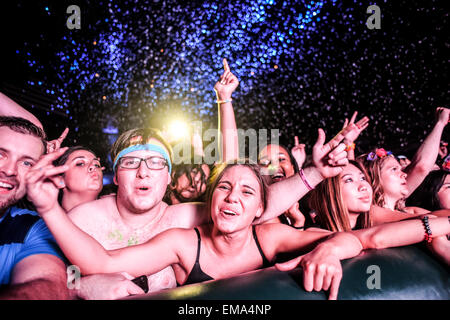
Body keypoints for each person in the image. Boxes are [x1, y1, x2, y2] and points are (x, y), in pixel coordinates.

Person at [28, 158, 371, 300]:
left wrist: (327, 251)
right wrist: (48, 207)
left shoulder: (269, 236)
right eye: (223, 188)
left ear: (260, 210)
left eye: (247, 192)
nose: (232, 197)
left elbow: (352, 239)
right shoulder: (181, 243)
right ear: (211, 199)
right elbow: (101, 263)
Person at [0, 116, 68, 299]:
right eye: (0, 154)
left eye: (26, 162)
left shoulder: (34, 227)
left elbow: (49, 285)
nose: (9, 170)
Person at [53, 146, 104, 212]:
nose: (93, 167)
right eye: (80, 164)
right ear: (60, 180)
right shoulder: (39, 220)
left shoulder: (113, 217)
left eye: (97, 165)